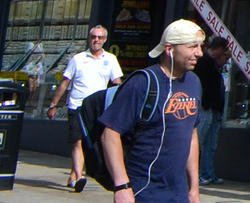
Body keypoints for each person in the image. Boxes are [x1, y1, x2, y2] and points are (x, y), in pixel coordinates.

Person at [99, 18, 205, 203]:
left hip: (178, 193)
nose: (199, 53)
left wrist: (194, 189)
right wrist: (122, 186)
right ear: (169, 49)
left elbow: (192, 135)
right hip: (143, 191)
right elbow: (110, 133)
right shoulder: (142, 82)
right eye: (192, 46)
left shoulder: (193, 82)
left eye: (200, 46)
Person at [47, 26, 122, 193]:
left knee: (91, 142)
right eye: (93, 37)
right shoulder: (78, 59)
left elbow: (117, 82)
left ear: (105, 40)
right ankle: (80, 177)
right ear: (89, 38)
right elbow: (65, 83)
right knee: (77, 141)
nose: (96, 40)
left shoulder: (110, 59)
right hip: (77, 106)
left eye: (100, 37)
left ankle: (74, 173)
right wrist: (53, 105)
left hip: (97, 108)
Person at [192, 37, 230, 185]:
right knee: (200, 142)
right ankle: (197, 174)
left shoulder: (212, 63)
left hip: (213, 108)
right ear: (220, 49)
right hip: (205, 107)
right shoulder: (204, 62)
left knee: (209, 144)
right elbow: (202, 85)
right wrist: (206, 103)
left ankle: (207, 173)